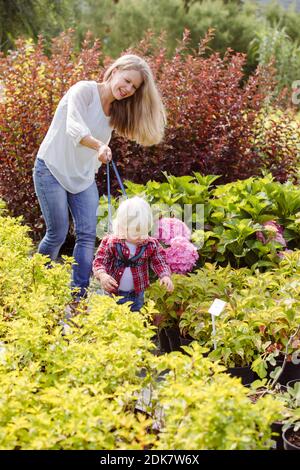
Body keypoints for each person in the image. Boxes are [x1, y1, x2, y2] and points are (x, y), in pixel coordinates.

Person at [32, 54, 166, 300]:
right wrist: (98, 146)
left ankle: (78, 296)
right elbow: (74, 127)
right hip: (51, 168)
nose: (127, 89)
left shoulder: (116, 111)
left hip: (82, 178)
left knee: (86, 235)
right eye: (126, 80)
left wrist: (100, 154)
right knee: (58, 233)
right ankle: (38, 282)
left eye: (133, 87)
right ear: (114, 71)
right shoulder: (83, 91)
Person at [92, 196, 174, 311]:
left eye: (144, 231)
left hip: (137, 294)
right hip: (113, 293)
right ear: (122, 228)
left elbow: (159, 261)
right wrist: (102, 275)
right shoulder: (111, 242)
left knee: (135, 317)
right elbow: (100, 261)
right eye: (136, 232)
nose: (141, 236)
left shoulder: (150, 244)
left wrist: (165, 275)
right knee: (112, 318)